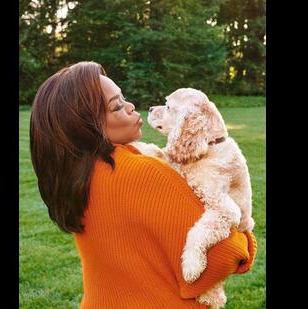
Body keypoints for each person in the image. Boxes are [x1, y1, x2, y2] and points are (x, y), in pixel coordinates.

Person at [29, 61, 257, 308]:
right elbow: (222, 257)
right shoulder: (146, 173)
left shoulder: (76, 176)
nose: (130, 106)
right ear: (86, 127)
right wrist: (245, 237)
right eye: (117, 106)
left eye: (123, 98)